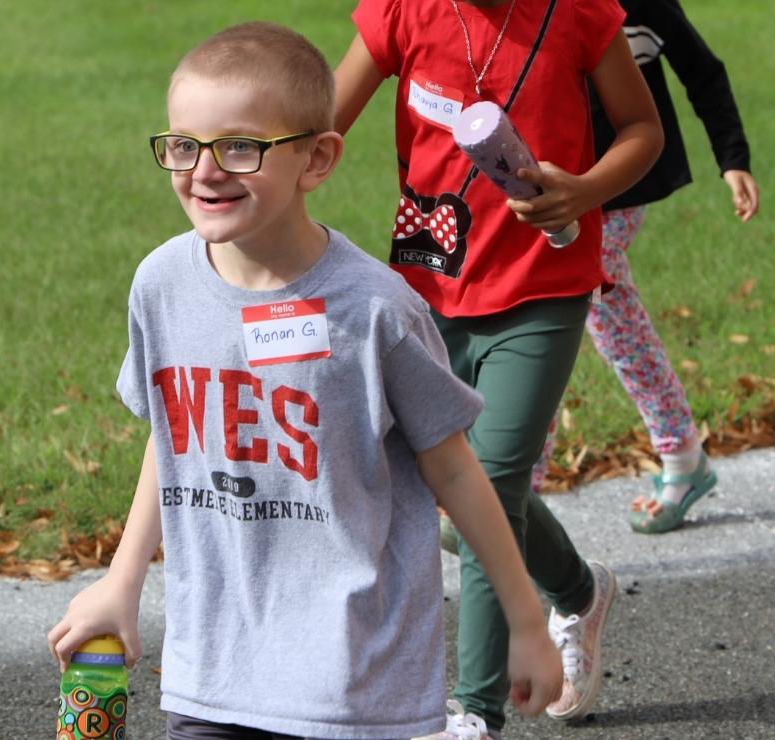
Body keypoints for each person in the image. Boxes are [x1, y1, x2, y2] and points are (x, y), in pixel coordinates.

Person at [47, 21, 563, 740]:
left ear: (317, 159)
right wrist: (121, 581)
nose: (205, 170)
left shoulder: (377, 310)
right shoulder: (161, 284)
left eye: (239, 147)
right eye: (184, 145)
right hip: (214, 672)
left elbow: (455, 471)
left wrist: (525, 620)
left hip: (353, 683)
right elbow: (176, 434)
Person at [333, 0, 663, 735]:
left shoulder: (582, 11)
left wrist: (585, 187)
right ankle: (577, 592)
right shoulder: (403, 10)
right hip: (427, 293)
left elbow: (643, 131)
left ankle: (474, 712)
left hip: (543, 288)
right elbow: (319, 126)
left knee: (488, 487)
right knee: (459, 488)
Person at [531, 0, 761, 534]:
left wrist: (734, 160)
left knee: (562, 310)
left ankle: (518, 482)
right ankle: (680, 454)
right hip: (550, 188)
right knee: (579, 314)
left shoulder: (645, 4)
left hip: (620, 191)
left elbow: (703, 72)